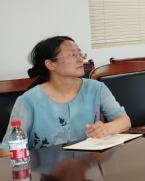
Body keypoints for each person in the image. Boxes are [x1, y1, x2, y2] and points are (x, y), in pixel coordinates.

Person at [1, 36, 130, 155]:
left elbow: (124, 121)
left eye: (80, 54)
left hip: (88, 166)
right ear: (50, 64)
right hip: (45, 170)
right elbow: (7, 150)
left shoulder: (96, 88)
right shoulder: (29, 100)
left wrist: (107, 128)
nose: (80, 59)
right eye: (72, 55)